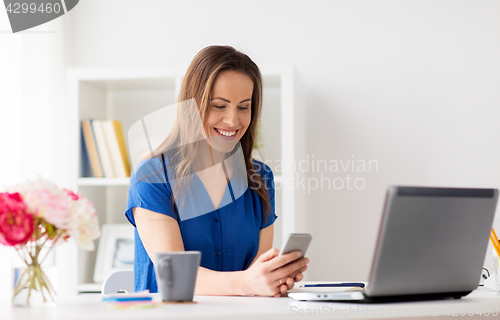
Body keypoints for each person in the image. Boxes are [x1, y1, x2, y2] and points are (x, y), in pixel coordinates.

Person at [125, 45, 309, 297]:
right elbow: (174, 275)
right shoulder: (152, 176)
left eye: (244, 107)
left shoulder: (260, 178)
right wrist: (248, 283)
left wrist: (273, 278)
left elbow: (256, 273)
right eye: (219, 106)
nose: (233, 121)